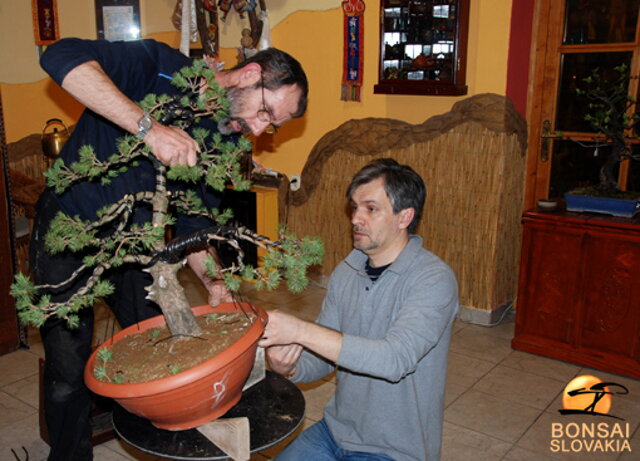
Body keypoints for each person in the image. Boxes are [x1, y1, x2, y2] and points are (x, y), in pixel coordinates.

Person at [31, 37, 308, 461]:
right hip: (73, 228)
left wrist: (216, 285)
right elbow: (59, 56)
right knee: (68, 371)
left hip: (141, 246)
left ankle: (163, 441)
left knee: (159, 351)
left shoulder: (227, 142)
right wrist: (150, 128)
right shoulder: (158, 66)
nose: (257, 129)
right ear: (250, 75)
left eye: (271, 126)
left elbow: (195, 222)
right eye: (265, 112)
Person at [260, 158, 459, 461]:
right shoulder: (348, 269)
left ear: (404, 216)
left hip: (395, 449)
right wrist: (289, 365)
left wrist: (301, 330)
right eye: (355, 207)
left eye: (371, 208)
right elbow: (323, 359)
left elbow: (395, 359)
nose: (355, 218)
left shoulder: (433, 279)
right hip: (337, 430)